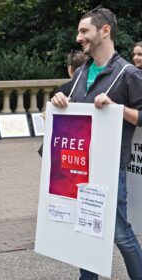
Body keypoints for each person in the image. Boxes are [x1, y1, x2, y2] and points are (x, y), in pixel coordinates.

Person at [51, 6, 142, 280]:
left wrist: (117, 108)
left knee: (120, 233)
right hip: (80, 168)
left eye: (84, 30)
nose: (79, 37)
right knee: (87, 231)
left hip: (110, 168)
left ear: (105, 31)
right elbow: (71, 111)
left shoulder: (128, 73)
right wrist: (59, 102)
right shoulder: (81, 73)